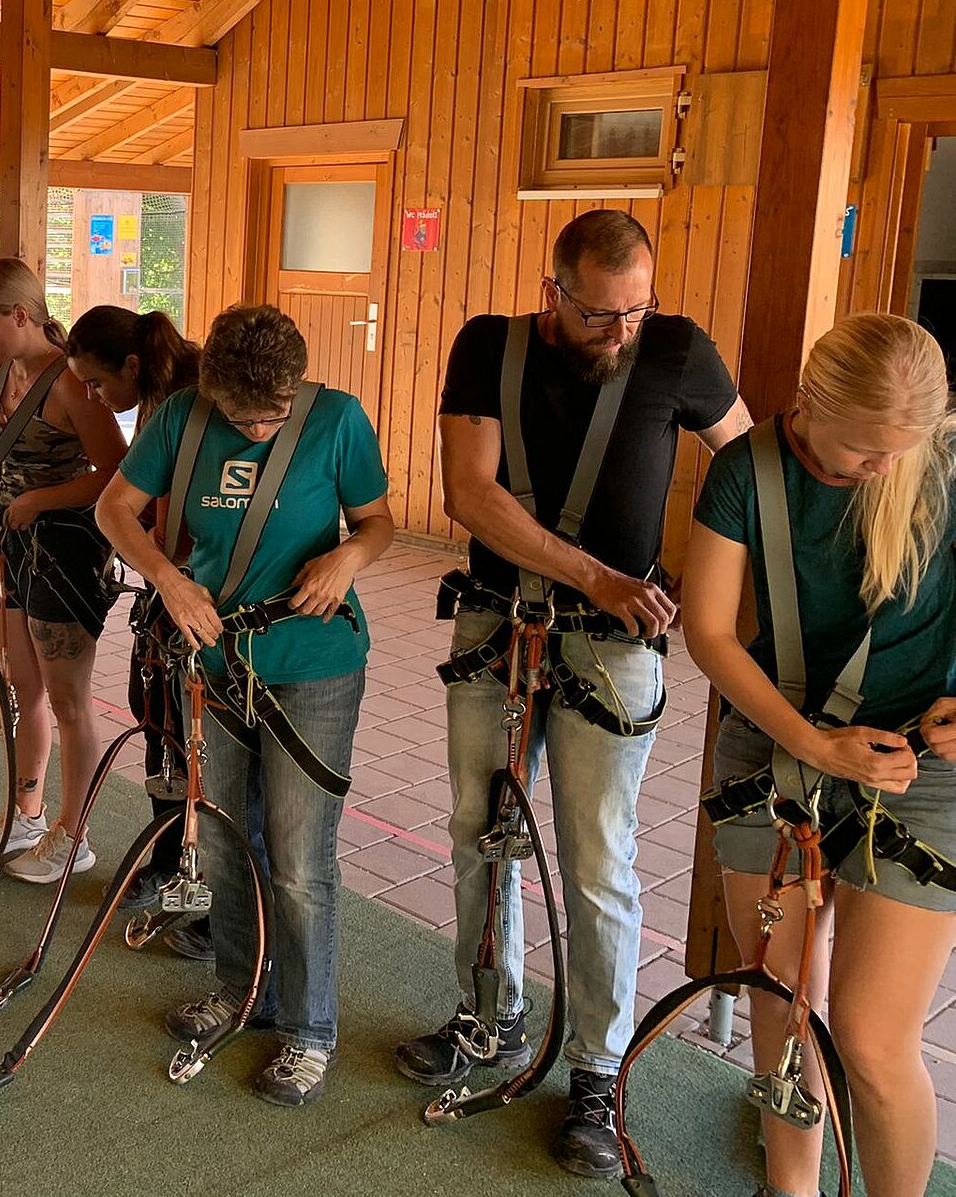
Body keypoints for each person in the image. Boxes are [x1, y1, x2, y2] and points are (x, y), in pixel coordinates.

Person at [402, 209, 750, 1176]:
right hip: (498, 628)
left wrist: (702, 579)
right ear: (555, 292)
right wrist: (601, 577)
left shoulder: (678, 350)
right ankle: (489, 1014)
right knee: (481, 831)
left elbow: (749, 466)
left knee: (600, 860)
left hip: (616, 647)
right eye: (601, 315)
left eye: (637, 311)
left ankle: (598, 1069)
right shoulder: (490, 347)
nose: (622, 333)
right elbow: (470, 494)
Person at [685, 313, 956, 1197]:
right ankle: (788, 1188)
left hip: (917, 766)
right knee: (783, 1008)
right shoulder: (745, 472)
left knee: (876, 1044)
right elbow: (712, 632)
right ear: (812, 403)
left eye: (901, 451)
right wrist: (810, 744)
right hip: (780, 747)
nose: (885, 469)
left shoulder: (943, 466)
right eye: (869, 451)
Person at [98, 302, 394, 1106]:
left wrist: (348, 560)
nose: (259, 430)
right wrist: (167, 576)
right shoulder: (180, 422)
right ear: (209, 389)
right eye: (241, 416)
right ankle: (242, 990)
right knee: (228, 839)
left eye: (275, 414)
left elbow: (377, 523)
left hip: (315, 661)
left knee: (300, 862)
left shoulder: (336, 420)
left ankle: (309, 1030)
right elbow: (113, 508)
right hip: (219, 659)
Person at [0, 258, 126, 882]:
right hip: (15, 547)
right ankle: (28, 815)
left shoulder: (70, 383)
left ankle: (74, 835)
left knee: (70, 700)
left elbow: (117, 474)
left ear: (20, 316)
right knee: (25, 692)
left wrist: (36, 501)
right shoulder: (12, 370)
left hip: (65, 552)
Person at [67, 304, 207, 943]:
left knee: (190, 733)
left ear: (130, 364)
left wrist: (158, 560)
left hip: (200, 592)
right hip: (166, 586)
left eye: (97, 385)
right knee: (155, 717)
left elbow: (173, 516)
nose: (95, 399)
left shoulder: (188, 402)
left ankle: (200, 879)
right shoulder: (156, 401)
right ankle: (166, 859)